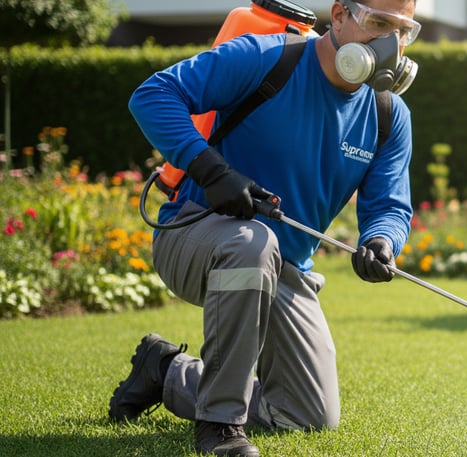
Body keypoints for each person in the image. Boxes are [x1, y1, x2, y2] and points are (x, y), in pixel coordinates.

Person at [108, 0, 420, 456]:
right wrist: (213, 173)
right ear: (338, 16)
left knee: (308, 414)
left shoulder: (390, 114)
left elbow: (390, 205)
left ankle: (168, 372)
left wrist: (382, 241)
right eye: (377, 23)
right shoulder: (269, 57)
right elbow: (153, 95)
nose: (389, 43)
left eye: (402, 29)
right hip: (193, 235)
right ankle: (220, 426)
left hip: (283, 266)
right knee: (253, 243)